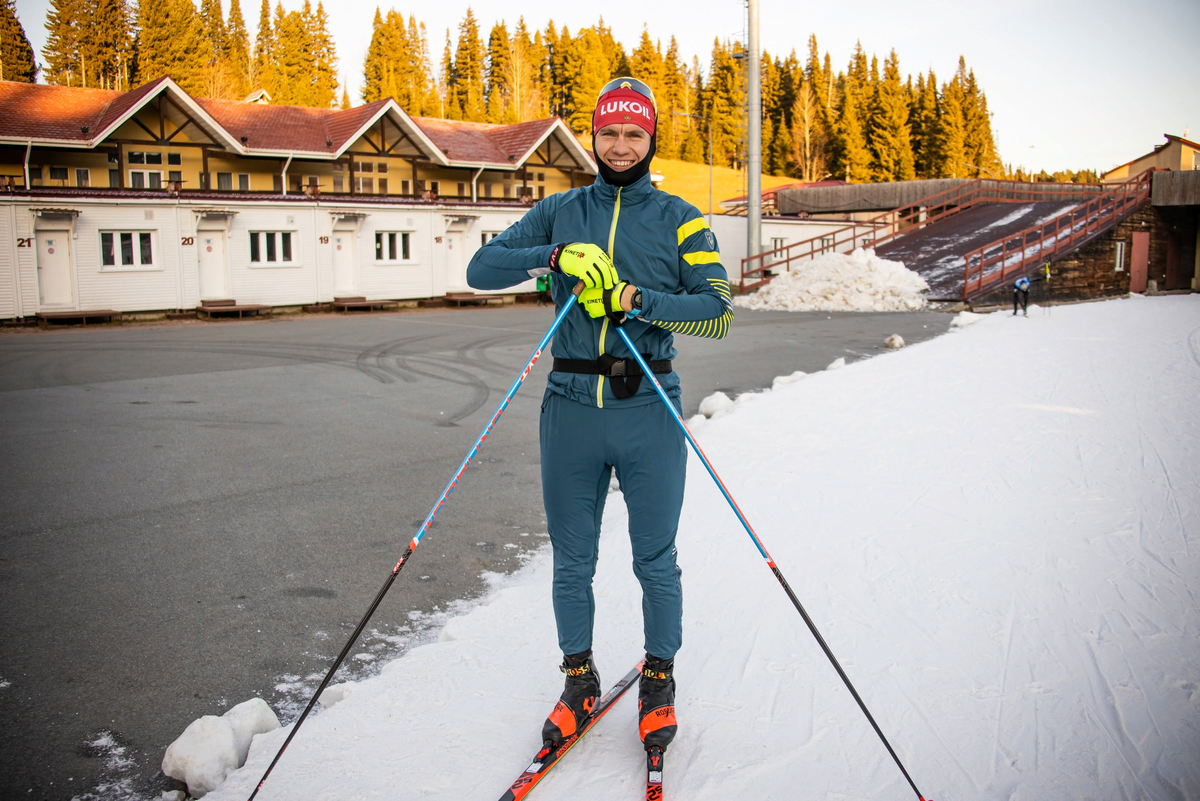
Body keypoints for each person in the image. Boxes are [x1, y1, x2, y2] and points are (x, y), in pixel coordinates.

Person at [466, 77, 733, 758]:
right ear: (593, 135)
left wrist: (637, 299)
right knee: (571, 560)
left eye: (633, 133)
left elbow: (717, 310)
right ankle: (578, 679)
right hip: (571, 409)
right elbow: (480, 266)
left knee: (655, 560)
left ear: (651, 139)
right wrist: (551, 257)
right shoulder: (560, 210)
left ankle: (658, 682)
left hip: (647, 405)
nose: (619, 146)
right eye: (608, 132)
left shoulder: (680, 218)